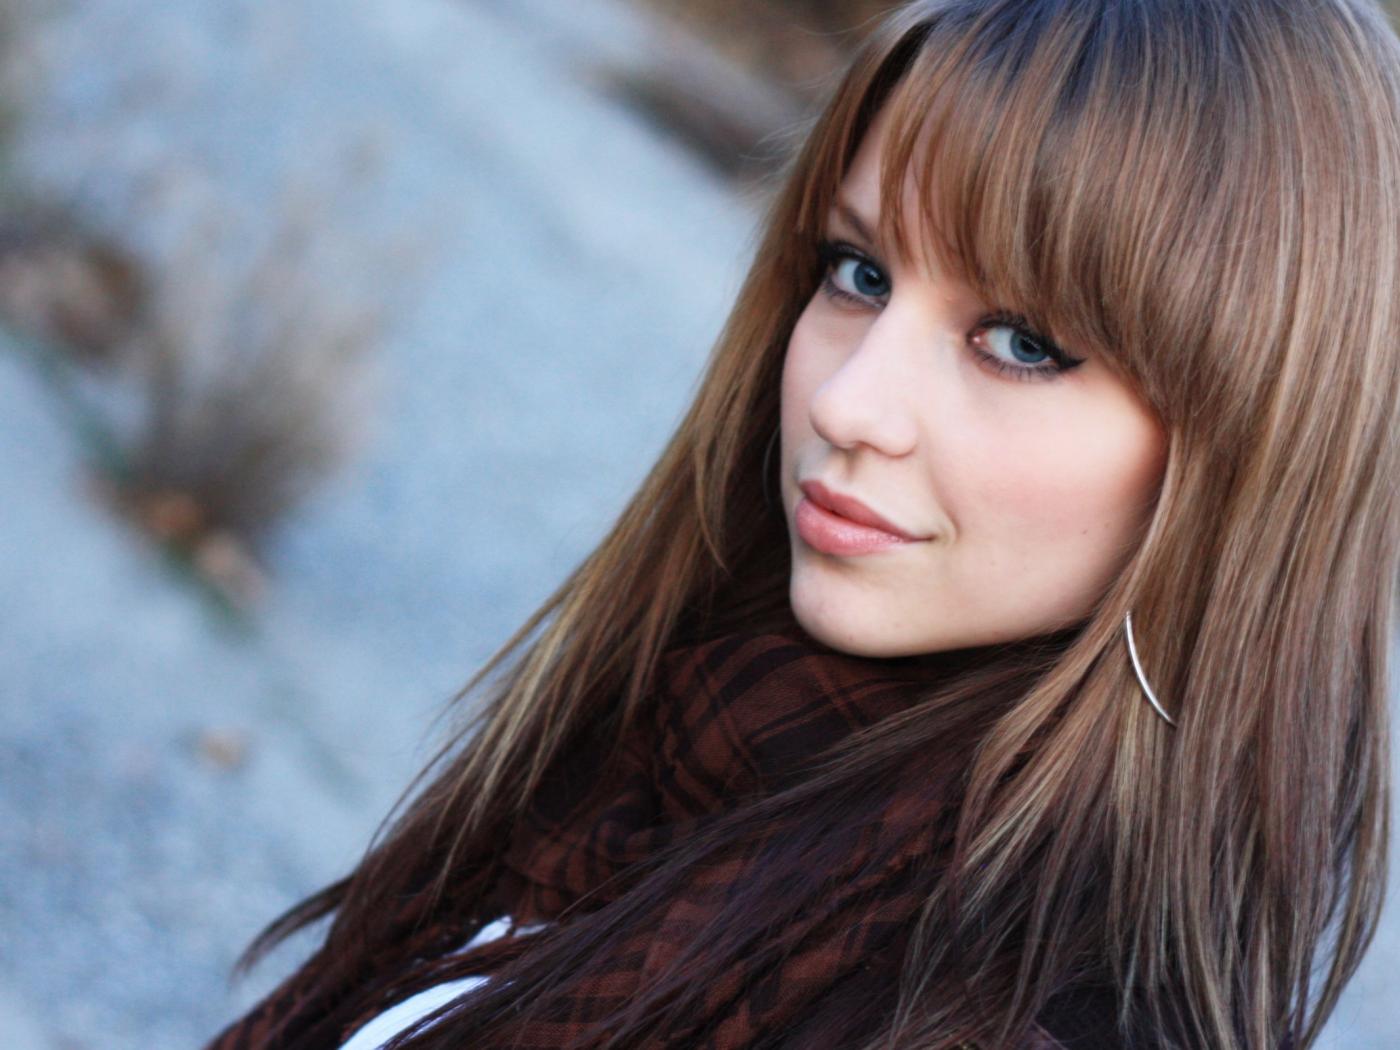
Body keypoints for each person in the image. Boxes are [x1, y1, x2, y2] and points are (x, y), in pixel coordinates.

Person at [205, 0, 1400, 1047]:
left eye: (1022, 344)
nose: (845, 403)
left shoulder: (1014, 1014)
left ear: (1249, 464)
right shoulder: (679, 723)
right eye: (859, 273)